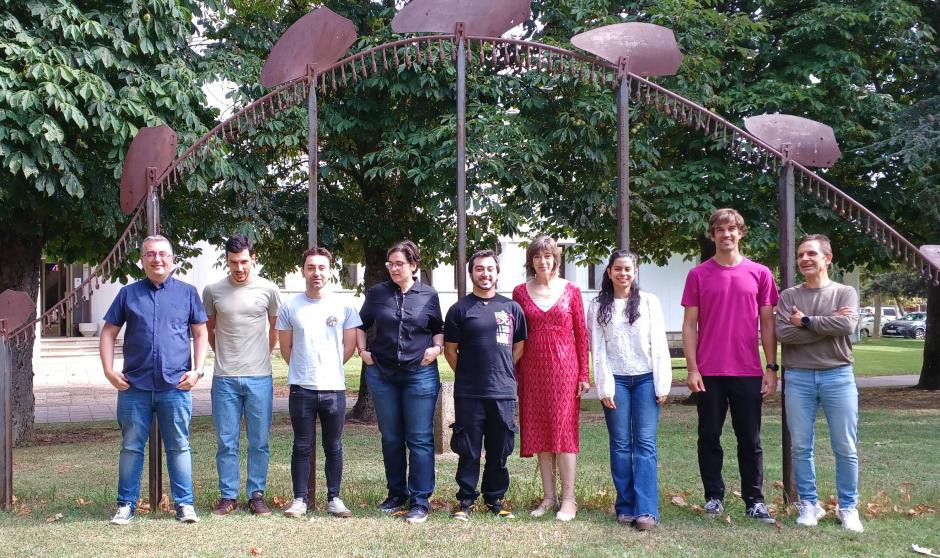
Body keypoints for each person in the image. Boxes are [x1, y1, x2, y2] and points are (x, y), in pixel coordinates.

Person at [99, 235, 208, 525]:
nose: (157, 259)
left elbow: (200, 333)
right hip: (134, 387)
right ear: (142, 260)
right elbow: (108, 332)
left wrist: (198, 370)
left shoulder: (187, 293)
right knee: (131, 447)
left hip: (176, 386)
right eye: (150, 254)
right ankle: (125, 505)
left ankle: (184, 504)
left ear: (172, 260)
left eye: (162, 254)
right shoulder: (128, 294)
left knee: (179, 446)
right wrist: (109, 371)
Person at [681, 208, 779, 523]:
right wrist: (692, 368)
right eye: (720, 230)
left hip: (748, 371)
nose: (726, 234)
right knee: (709, 436)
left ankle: (755, 501)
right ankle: (714, 497)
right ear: (713, 235)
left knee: (750, 440)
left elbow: (768, 324)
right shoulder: (698, 274)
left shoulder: (760, 273)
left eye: (732, 229)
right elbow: (689, 325)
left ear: (741, 233)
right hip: (709, 372)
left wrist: (771, 367)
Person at [775, 234, 863, 533]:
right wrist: (827, 323)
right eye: (801, 254)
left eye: (811, 253)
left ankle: (848, 507)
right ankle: (809, 505)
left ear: (828, 258)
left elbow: (847, 325)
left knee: (845, 445)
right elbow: (784, 334)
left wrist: (806, 321)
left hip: (838, 375)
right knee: (801, 445)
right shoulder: (789, 296)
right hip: (798, 376)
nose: (805, 259)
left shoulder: (844, 292)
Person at [357, 240, 444, 524]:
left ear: (414, 265)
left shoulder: (428, 295)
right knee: (391, 436)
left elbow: (438, 328)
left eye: (399, 264)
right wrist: (362, 352)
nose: (394, 269)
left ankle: (419, 500)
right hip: (382, 374)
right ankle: (396, 493)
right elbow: (360, 324)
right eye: (390, 264)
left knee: (419, 437)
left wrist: (437, 349)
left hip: (420, 374)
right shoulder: (377, 293)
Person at [587, 250, 672, 530]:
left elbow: (659, 344)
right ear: (609, 272)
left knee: (645, 444)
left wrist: (662, 382)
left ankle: (646, 510)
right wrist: (604, 387)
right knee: (621, 444)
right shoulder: (598, 306)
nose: (623, 274)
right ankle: (625, 506)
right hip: (617, 381)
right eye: (618, 269)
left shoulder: (649, 302)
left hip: (646, 379)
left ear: (634, 272)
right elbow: (598, 350)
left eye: (628, 269)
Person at [276, 247, 361, 519]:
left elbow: (349, 346)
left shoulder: (344, 306)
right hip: (301, 388)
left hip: (334, 388)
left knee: (333, 446)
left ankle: (334, 498)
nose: (316, 273)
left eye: (322, 267)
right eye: (311, 267)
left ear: (329, 271)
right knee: (301, 445)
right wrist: (306, 369)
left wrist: (328, 367)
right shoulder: (290, 306)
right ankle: (299, 499)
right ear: (303, 271)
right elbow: (286, 349)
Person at [444, 249, 527, 521]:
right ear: (471, 273)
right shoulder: (459, 310)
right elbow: (450, 351)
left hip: (503, 392)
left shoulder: (512, 308)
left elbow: (518, 347)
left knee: (499, 449)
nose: (485, 273)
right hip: (469, 392)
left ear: (497, 272)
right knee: (468, 449)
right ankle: (465, 501)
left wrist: (500, 372)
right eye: (479, 269)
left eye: (490, 268)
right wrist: (469, 373)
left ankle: (495, 499)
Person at [511, 235, 589, 521]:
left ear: (557, 259)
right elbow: (516, 336)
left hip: (565, 369)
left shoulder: (572, 290)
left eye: (548, 256)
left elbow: (581, 334)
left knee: (564, 432)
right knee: (540, 431)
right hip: (532, 370)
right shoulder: (520, 292)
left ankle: (569, 499)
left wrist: (584, 374)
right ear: (531, 261)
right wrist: (514, 373)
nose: (542, 261)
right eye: (537, 256)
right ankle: (549, 497)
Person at [203, 234, 281, 516]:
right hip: (224, 378)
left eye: (244, 261)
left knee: (259, 441)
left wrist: (261, 355)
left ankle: (256, 495)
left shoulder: (269, 289)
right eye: (234, 262)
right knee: (226, 441)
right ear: (226, 260)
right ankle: (228, 496)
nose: (239, 268)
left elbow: (275, 329)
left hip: (259, 377)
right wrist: (226, 356)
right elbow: (210, 331)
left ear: (253, 258)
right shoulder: (212, 291)